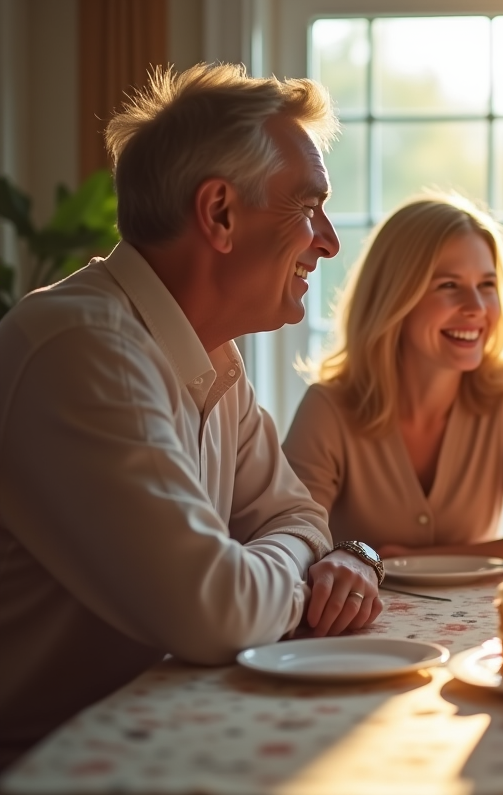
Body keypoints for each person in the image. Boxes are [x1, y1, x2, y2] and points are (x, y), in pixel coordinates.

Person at [0, 63, 385, 768]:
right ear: (220, 214)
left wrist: (317, 555)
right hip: (51, 763)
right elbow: (219, 612)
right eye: (308, 206)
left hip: (160, 733)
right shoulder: (87, 352)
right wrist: (301, 573)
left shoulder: (211, 355)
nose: (327, 241)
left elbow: (297, 519)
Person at [283, 194, 503, 567]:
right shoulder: (328, 407)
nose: (476, 307)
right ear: (395, 297)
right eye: (448, 285)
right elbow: (292, 545)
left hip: (476, 624)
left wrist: (416, 559)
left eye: (486, 284)